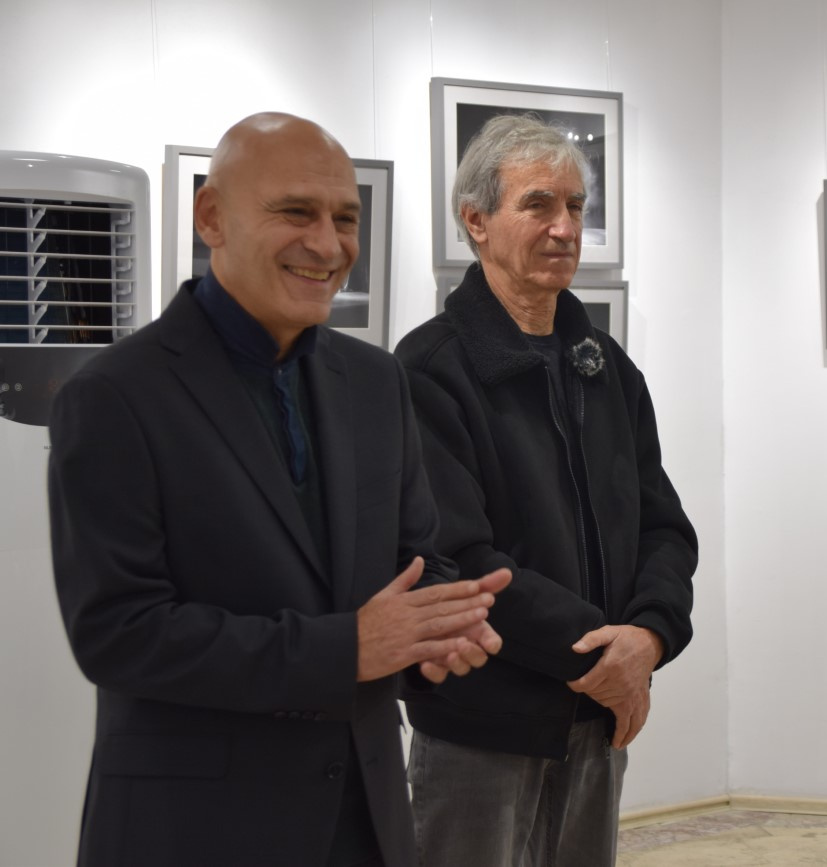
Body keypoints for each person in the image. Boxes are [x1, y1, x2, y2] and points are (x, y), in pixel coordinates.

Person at [47, 112, 511, 867]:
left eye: (345, 219)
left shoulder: (376, 380)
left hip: (363, 820)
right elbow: (119, 634)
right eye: (296, 212)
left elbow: (420, 561)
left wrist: (437, 631)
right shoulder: (113, 396)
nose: (327, 245)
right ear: (211, 217)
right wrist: (348, 648)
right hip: (193, 832)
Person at [395, 114, 698, 867]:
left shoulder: (607, 366)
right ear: (476, 221)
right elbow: (460, 561)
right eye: (538, 204)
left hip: (597, 714)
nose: (564, 227)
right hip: (484, 724)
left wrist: (649, 637)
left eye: (575, 206)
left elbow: (663, 526)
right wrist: (603, 655)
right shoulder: (430, 370)